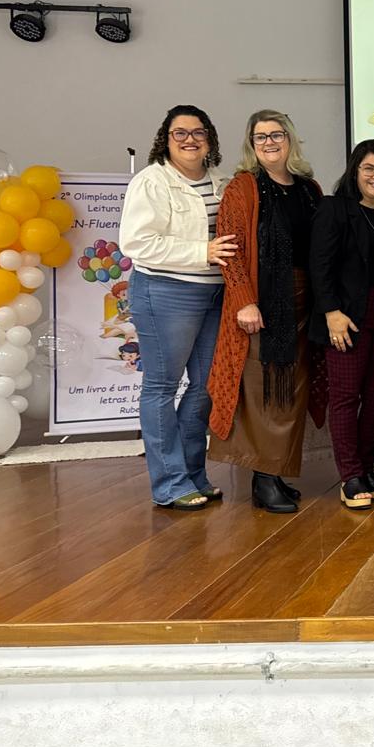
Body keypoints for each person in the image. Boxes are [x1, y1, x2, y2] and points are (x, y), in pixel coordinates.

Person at [208, 110, 326, 514]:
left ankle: (276, 472)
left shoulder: (310, 188)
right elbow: (230, 251)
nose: (269, 142)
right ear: (251, 145)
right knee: (263, 390)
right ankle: (263, 479)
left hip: (303, 301)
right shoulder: (242, 188)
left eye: (277, 135)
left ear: (290, 139)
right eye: (260, 137)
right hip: (260, 302)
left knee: (292, 388)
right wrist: (244, 300)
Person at [120, 105, 235, 511]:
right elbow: (136, 243)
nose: (190, 139)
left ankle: (192, 474)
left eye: (198, 132)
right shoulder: (151, 181)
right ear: (165, 140)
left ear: (210, 138)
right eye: (179, 133)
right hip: (165, 292)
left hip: (215, 295)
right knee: (162, 387)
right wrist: (201, 251)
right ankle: (169, 483)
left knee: (205, 388)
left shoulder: (223, 182)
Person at [309, 140, 374, 510]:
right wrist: (331, 311)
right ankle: (349, 475)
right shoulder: (334, 209)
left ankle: (365, 467)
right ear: (354, 171)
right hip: (345, 315)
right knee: (346, 397)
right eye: (369, 169)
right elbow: (320, 264)